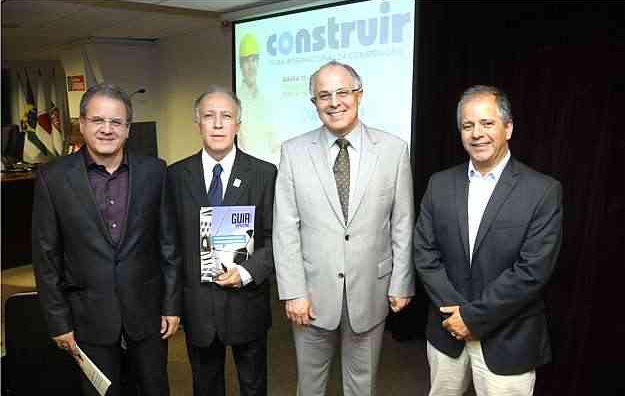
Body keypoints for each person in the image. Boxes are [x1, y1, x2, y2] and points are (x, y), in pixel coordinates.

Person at [273, 60, 415, 396]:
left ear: (359, 94)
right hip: (311, 295)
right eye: (324, 95)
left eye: (342, 92)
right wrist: (293, 291)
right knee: (310, 386)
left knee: (361, 386)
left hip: (371, 290)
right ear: (314, 104)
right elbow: (285, 227)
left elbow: (403, 222)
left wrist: (401, 282)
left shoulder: (394, 150)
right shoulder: (293, 152)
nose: (334, 102)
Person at [413, 85, 563, 395]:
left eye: (487, 123)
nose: (477, 133)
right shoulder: (439, 184)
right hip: (446, 331)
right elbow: (424, 253)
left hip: (508, 337)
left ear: (508, 128)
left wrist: (472, 318)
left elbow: (531, 271)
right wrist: (455, 315)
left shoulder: (543, 191)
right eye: (468, 126)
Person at [32, 83, 181, 396]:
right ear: (82, 124)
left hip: (147, 315)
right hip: (88, 318)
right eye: (98, 120)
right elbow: (46, 257)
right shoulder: (53, 178)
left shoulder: (155, 171)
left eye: (116, 122)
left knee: (155, 389)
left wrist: (171, 305)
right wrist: (58, 321)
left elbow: (168, 245)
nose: (107, 129)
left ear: (128, 129)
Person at [167, 86, 277, 396]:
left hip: (247, 302)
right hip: (198, 305)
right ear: (198, 123)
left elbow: (276, 238)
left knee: (253, 386)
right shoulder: (175, 176)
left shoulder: (264, 174)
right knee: (205, 386)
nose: (217, 124)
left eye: (226, 116)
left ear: (238, 125)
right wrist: (171, 304)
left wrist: (245, 272)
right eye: (209, 116)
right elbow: (170, 245)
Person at [236, 33, 280, 164]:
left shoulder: (266, 101)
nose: (251, 66)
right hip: (246, 169)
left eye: (254, 60)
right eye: (246, 61)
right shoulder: (235, 101)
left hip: (269, 168)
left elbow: (274, 141)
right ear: (241, 65)